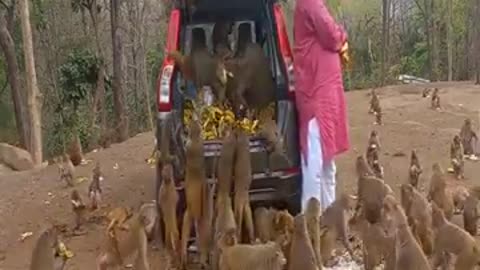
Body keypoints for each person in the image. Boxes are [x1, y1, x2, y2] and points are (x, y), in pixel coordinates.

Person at [293, 0, 350, 212]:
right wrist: (343, 37)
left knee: (328, 166)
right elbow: (331, 35)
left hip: (326, 95)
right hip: (315, 92)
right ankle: (311, 225)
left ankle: (329, 221)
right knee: (315, 166)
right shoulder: (310, 2)